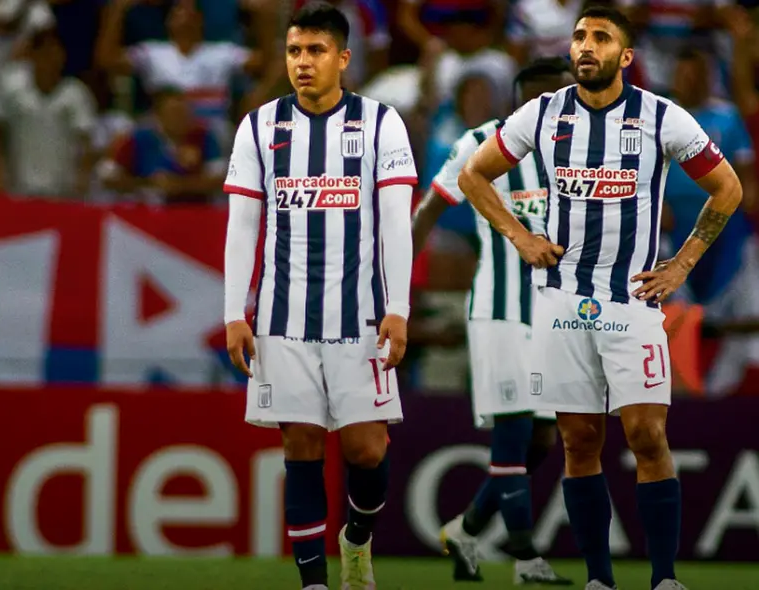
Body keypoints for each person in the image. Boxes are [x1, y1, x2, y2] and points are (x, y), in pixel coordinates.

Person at [457, 6, 743, 590]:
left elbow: (727, 187)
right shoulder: (542, 114)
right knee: (578, 440)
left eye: (601, 37)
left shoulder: (661, 117)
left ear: (626, 56)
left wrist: (682, 263)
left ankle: (664, 578)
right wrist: (520, 235)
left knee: (647, 435)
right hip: (562, 302)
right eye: (581, 36)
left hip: (632, 302)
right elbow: (472, 176)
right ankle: (599, 580)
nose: (586, 46)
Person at [223, 3, 416, 589]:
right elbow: (242, 225)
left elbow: (395, 224)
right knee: (300, 443)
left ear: (343, 58)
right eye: (294, 51)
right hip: (283, 319)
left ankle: (356, 538)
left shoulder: (382, 123)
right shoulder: (259, 126)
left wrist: (399, 308)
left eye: (315, 52)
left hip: (361, 317)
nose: (302, 63)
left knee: (366, 450)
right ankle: (313, 584)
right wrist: (236, 312)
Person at [412, 57, 575, 586]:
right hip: (500, 312)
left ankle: (466, 529)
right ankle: (526, 557)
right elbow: (430, 210)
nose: (562, 107)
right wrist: (394, 287)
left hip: (556, 318)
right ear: (525, 102)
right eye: (550, 98)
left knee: (543, 443)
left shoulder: (581, 153)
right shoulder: (481, 141)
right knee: (513, 432)